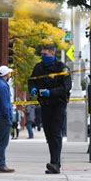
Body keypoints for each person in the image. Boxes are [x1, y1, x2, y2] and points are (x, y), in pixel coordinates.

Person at [28, 44, 72, 174]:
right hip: (45, 105)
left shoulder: (62, 68)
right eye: (42, 54)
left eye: (45, 54)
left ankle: (55, 163)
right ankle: (54, 163)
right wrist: (32, 89)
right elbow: (32, 81)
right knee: (49, 134)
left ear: (52, 54)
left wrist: (51, 92)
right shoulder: (39, 67)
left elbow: (66, 87)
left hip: (58, 104)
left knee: (55, 133)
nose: (43, 57)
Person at [0, 65, 15, 173]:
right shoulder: (2, 86)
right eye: (9, 73)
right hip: (2, 118)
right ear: (6, 75)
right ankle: (1, 165)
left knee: (1, 142)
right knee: (3, 142)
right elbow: (5, 105)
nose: (10, 75)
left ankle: (0, 164)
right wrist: (8, 118)